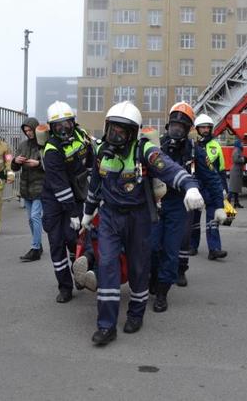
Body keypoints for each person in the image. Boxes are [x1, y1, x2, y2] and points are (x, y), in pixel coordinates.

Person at [82, 101, 205, 346]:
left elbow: (169, 168)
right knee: (107, 265)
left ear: (134, 132)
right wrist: (88, 212)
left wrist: (190, 186)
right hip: (109, 217)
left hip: (138, 217)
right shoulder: (100, 151)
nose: (115, 135)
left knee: (139, 267)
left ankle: (136, 313)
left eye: (122, 131)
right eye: (112, 129)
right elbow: (95, 183)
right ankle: (106, 325)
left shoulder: (145, 151)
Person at [149, 103, 225, 312]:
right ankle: (153, 279)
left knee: (172, 249)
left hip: (179, 204)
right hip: (156, 203)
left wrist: (218, 205)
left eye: (182, 127)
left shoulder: (195, 150)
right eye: (174, 125)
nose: (177, 130)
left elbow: (212, 178)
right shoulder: (156, 146)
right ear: (168, 125)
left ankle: (163, 291)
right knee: (153, 247)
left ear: (188, 129)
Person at [41, 101, 94, 302]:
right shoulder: (51, 150)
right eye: (58, 126)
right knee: (57, 243)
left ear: (73, 123)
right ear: (51, 128)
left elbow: (91, 160)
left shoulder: (82, 136)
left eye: (67, 124)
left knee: (75, 239)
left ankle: (79, 273)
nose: (63, 129)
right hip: (55, 199)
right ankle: (65, 287)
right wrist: (72, 213)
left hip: (77, 194)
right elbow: (61, 187)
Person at [189, 114, 229, 261]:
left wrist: (224, 189)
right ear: (197, 129)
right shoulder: (192, 145)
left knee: (213, 219)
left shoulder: (215, 145)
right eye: (203, 127)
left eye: (208, 127)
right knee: (194, 218)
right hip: (196, 186)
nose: (206, 130)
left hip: (211, 186)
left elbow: (221, 169)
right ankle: (192, 246)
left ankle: (214, 249)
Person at [11, 117, 46, 262]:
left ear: (35, 129)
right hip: (26, 187)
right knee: (30, 220)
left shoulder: (44, 145)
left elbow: (50, 165)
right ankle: (38, 245)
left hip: (40, 187)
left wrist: (38, 163)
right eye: (26, 131)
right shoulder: (23, 145)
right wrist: (15, 161)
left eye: (30, 130)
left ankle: (35, 248)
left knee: (35, 217)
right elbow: (14, 168)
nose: (28, 133)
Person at [228, 139, 245, 208]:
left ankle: (236, 203)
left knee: (236, 188)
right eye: (241, 143)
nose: (242, 144)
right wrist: (243, 159)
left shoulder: (239, 149)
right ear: (238, 143)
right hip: (235, 171)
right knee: (233, 188)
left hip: (238, 170)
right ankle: (227, 202)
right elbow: (235, 159)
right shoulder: (236, 150)